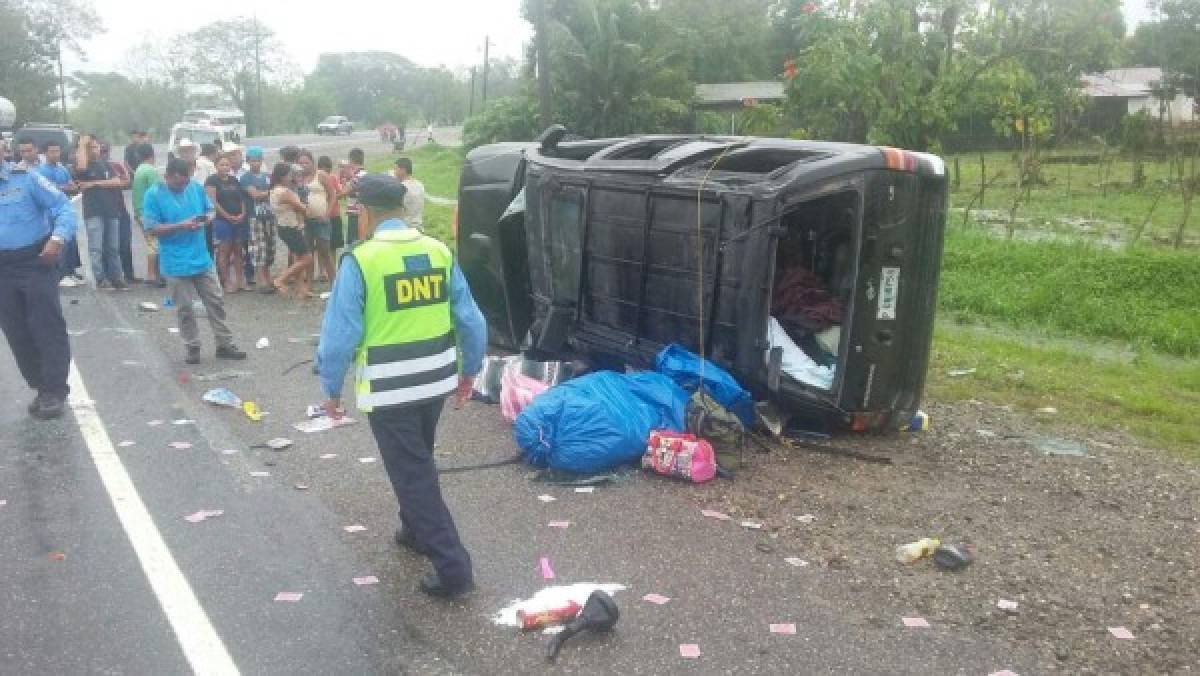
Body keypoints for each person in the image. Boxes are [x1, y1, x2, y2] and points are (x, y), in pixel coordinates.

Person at [316, 174, 486, 599]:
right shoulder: (437, 251)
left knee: (413, 474)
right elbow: (470, 319)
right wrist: (471, 370)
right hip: (435, 381)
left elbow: (340, 335)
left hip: (391, 390)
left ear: (368, 213)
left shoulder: (361, 260)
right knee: (418, 457)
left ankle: (452, 568)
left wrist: (331, 388)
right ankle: (413, 530)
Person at [142, 159, 247, 365]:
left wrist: (206, 218)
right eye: (178, 183)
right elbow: (151, 228)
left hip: (201, 256)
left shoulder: (196, 188)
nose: (183, 186)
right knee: (185, 308)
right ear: (168, 176)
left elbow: (210, 210)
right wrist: (180, 225)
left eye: (185, 182)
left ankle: (225, 344)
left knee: (216, 301)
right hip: (175, 261)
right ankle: (192, 346)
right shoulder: (153, 195)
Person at [0, 152, 78, 419]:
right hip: (2, 269)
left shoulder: (27, 179)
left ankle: (54, 390)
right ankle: (41, 386)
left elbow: (64, 207)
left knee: (46, 326)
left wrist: (57, 239)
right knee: (15, 331)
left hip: (35, 261)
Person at [74, 134, 128, 290]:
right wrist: (82, 145)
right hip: (93, 212)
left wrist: (94, 183)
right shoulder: (83, 166)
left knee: (113, 248)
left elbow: (117, 181)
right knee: (96, 248)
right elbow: (82, 168)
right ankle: (100, 279)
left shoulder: (105, 164)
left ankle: (117, 278)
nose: (95, 150)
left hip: (111, 211)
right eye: (90, 147)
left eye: (96, 147)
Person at [36, 141, 82, 287]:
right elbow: (49, 189)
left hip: (66, 210)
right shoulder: (42, 171)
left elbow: (72, 185)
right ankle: (59, 275)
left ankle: (69, 271)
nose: (56, 154)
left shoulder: (62, 168)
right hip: (52, 214)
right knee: (59, 243)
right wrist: (65, 188)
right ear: (45, 153)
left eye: (57, 151)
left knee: (70, 242)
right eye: (52, 151)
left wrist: (71, 187)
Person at [268, 162, 314, 298]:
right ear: (282, 177)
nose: (291, 178)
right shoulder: (285, 192)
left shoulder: (274, 190)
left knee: (299, 257)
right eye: (289, 175)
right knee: (307, 258)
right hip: (290, 228)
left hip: (285, 227)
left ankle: (302, 290)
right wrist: (305, 208)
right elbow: (301, 208)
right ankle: (281, 279)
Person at [205, 154, 249, 293]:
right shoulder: (212, 180)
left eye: (227, 165)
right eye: (222, 164)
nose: (225, 167)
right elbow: (213, 201)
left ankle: (240, 280)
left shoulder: (234, 180)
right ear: (216, 166)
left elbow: (241, 199)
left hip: (238, 219)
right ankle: (226, 281)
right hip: (222, 220)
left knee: (238, 250)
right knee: (224, 250)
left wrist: (242, 213)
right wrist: (227, 216)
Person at [297, 149, 338, 284]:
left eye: (306, 162)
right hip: (305, 221)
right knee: (308, 253)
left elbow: (332, 195)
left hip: (321, 220)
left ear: (312, 162)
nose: (303, 165)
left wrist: (327, 214)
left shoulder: (321, 175)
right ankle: (309, 284)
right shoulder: (297, 177)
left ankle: (334, 284)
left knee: (325, 252)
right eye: (300, 163)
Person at [101, 142, 138, 283]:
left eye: (106, 151)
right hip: (104, 212)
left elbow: (127, 182)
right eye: (102, 151)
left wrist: (109, 182)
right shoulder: (92, 167)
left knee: (124, 244)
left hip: (120, 209)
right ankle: (109, 276)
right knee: (107, 246)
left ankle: (129, 275)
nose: (104, 154)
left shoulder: (116, 165)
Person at [240, 146, 275, 293]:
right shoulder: (245, 177)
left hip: (269, 215)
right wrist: (270, 192)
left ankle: (268, 277)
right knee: (258, 248)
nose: (256, 163)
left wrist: (266, 193)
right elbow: (255, 195)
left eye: (258, 160)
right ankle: (261, 280)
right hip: (255, 216)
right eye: (252, 160)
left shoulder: (267, 175)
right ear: (247, 161)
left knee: (269, 247)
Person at [131, 143, 166, 288]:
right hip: (149, 212)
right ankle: (152, 274)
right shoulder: (151, 170)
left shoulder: (139, 169)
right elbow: (157, 192)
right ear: (152, 155)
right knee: (154, 243)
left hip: (139, 210)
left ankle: (157, 274)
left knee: (152, 242)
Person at [318, 155, 345, 256]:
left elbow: (340, 194)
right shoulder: (316, 180)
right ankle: (322, 270)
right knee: (321, 246)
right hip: (322, 216)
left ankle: (331, 269)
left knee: (333, 246)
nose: (326, 174)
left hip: (333, 216)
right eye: (325, 171)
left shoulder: (333, 178)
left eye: (328, 171)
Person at [392, 157, 425, 231]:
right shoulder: (420, 185)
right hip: (418, 227)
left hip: (405, 228)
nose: (394, 172)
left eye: (395, 169)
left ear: (403, 170)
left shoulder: (401, 187)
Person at [344, 147, 367, 247]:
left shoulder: (357, 176)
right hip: (361, 212)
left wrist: (351, 177)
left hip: (355, 213)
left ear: (351, 160)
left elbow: (351, 191)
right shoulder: (365, 174)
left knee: (353, 243)